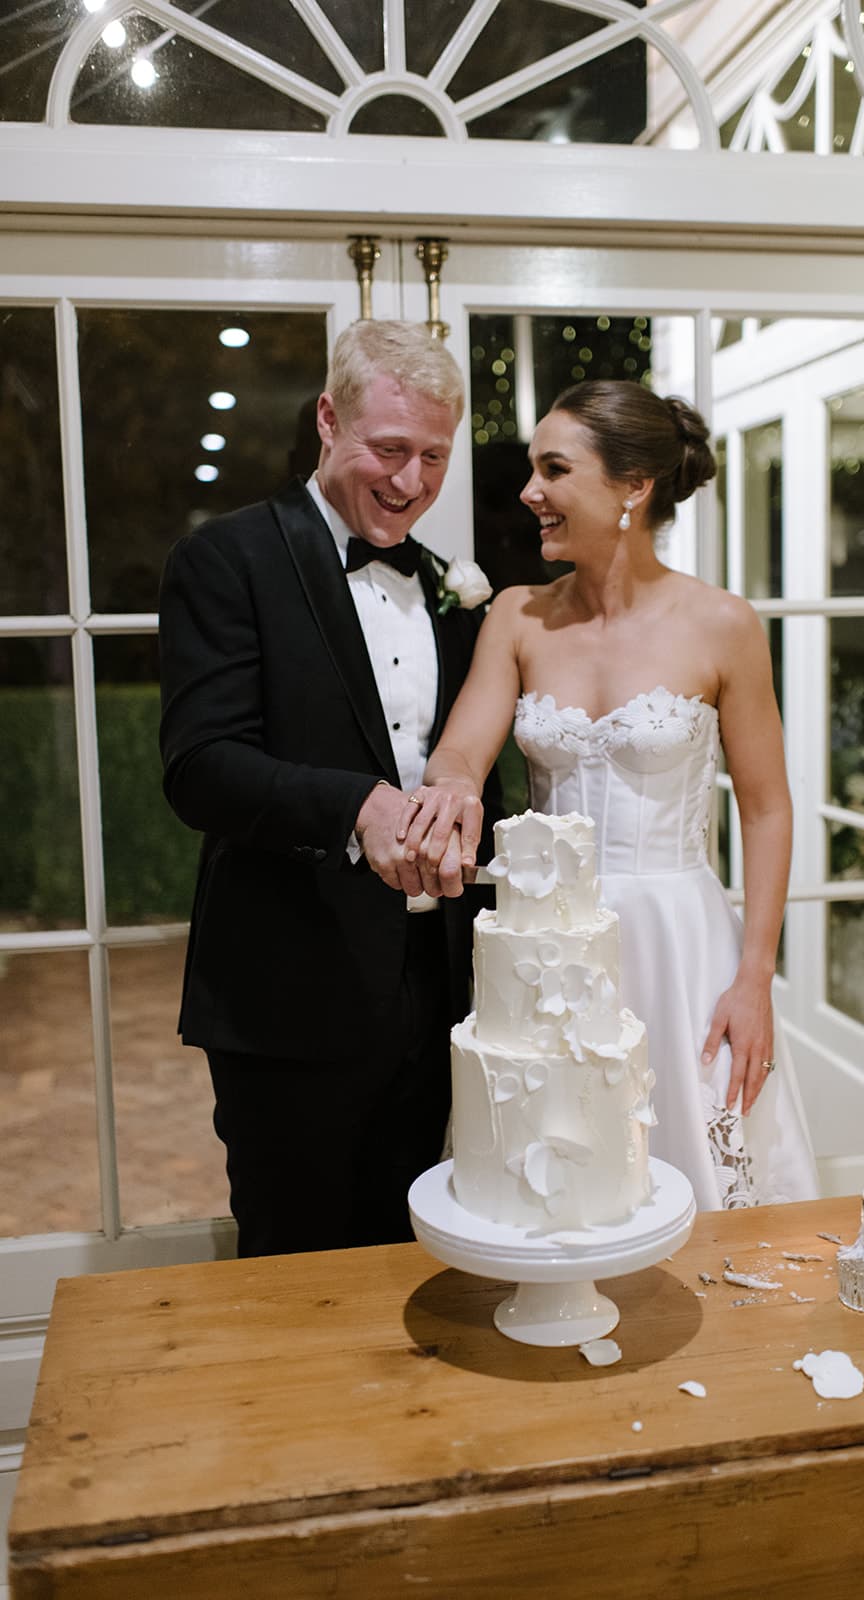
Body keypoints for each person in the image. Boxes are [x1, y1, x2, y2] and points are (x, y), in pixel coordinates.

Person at [396, 379, 818, 1210]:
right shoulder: (517, 616)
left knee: (697, 1172)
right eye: (531, 469)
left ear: (634, 486)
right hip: (551, 951)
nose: (529, 493)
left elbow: (767, 807)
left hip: (681, 941)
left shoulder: (721, 624)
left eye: (554, 469)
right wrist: (449, 790)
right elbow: (459, 751)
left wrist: (754, 976)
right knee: (556, 1183)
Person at [158, 319, 498, 1256]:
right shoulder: (228, 559)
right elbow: (200, 768)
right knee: (292, 1269)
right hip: (288, 996)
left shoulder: (446, 584)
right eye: (388, 450)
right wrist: (357, 805)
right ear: (325, 419)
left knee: (413, 1254)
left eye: (434, 456)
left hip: (433, 998)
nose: (411, 482)